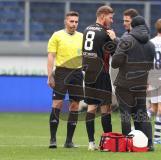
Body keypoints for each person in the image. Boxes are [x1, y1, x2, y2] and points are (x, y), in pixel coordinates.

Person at [112, 16, 155, 151]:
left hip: (124, 84)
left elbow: (115, 63)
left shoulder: (126, 40)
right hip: (141, 84)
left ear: (133, 26)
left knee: (126, 113)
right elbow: (150, 66)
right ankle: (149, 143)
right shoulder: (151, 44)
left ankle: (127, 144)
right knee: (141, 114)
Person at [47, 11, 84, 148]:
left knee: (75, 105)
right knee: (57, 104)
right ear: (65, 22)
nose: (74, 24)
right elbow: (51, 56)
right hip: (61, 72)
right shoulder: (57, 35)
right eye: (71, 21)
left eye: (76, 22)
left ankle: (69, 141)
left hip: (77, 73)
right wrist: (50, 75)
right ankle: (52, 139)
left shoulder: (82, 37)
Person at [82, 5, 116, 151]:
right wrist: (114, 39)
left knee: (91, 107)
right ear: (103, 16)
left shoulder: (86, 29)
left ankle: (91, 143)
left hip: (89, 72)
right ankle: (107, 143)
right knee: (105, 108)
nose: (112, 20)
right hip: (101, 72)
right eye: (110, 17)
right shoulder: (105, 33)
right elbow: (116, 53)